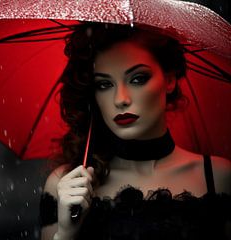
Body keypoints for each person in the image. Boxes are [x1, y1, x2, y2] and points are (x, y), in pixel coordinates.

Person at [40, 22, 231, 240]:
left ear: (169, 79)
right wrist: (66, 234)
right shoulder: (67, 185)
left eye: (138, 78)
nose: (121, 99)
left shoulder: (218, 178)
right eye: (104, 84)